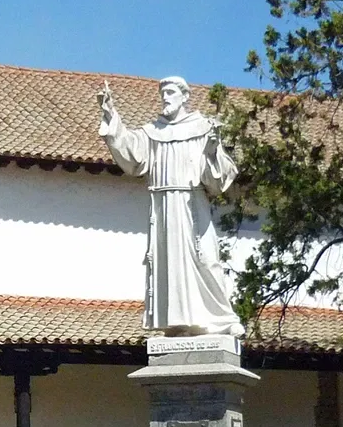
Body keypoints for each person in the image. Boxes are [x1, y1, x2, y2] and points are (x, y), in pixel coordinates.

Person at [97, 76, 245, 337]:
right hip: (164, 207)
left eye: (171, 92)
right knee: (170, 263)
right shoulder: (153, 131)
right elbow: (132, 154)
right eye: (162, 92)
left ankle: (223, 317)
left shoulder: (202, 128)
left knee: (207, 259)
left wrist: (211, 152)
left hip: (192, 204)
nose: (165, 97)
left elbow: (218, 179)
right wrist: (111, 114)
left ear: (185, 96)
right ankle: (179, 322)